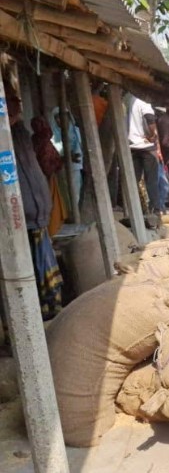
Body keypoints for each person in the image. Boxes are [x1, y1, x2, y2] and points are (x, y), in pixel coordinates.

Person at [6, 89, 63, 320]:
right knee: (38, 258)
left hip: (30, 209)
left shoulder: (16, 135)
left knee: (35, 260)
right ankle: (46, 302)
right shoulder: (17, 135)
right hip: (32, 209)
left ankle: (45, 304)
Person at [30, 116, 68, 236]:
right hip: (47, 177)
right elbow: (46, 163)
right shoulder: (44, 142)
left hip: (37, 177)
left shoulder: (34, 140)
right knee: (51, 204)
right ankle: (51, 230)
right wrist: (58, 163)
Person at [128, 96, 163, 214]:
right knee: (151, 180)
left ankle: (134, 209)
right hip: (146, 146)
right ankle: (155, 209)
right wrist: (153, 135)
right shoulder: (143, 101)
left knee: (134, 180)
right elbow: (150, 118)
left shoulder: (127, 100)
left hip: (131, 146)